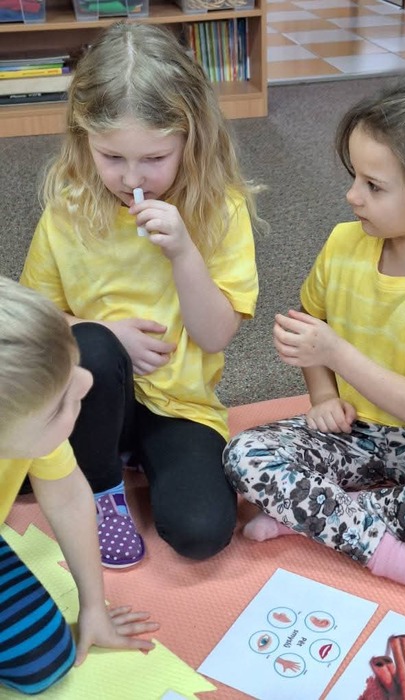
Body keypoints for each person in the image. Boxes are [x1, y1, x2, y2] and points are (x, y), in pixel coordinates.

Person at [223, 76, 405, 618]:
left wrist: (335, 353)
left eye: (373, 186)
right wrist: (321, 395)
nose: (352, 196)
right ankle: (398, 555)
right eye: (354, 177)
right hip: (351, 430)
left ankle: (314, 515)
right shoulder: (344, 243)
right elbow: (312, 318)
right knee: (245, 455)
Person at [20, 22, 260, 567]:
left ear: (191, 141)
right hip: (88, 395)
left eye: (154, 159)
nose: (134, 178)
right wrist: (106, 335)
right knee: (93, 347)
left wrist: (184, 253)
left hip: (179, 404)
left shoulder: (220, 209)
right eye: (112, 157)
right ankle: (103, 489)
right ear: (84, 139)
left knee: (202, 532)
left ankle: (113, 455)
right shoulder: (69, 209)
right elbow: (35, 321)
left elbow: (215, 335)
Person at [0, 276, 159, 695]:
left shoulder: (23, 413)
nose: (87, 384)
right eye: (59, 406)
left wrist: (93, 607)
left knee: (44, 657)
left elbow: (69, 497)